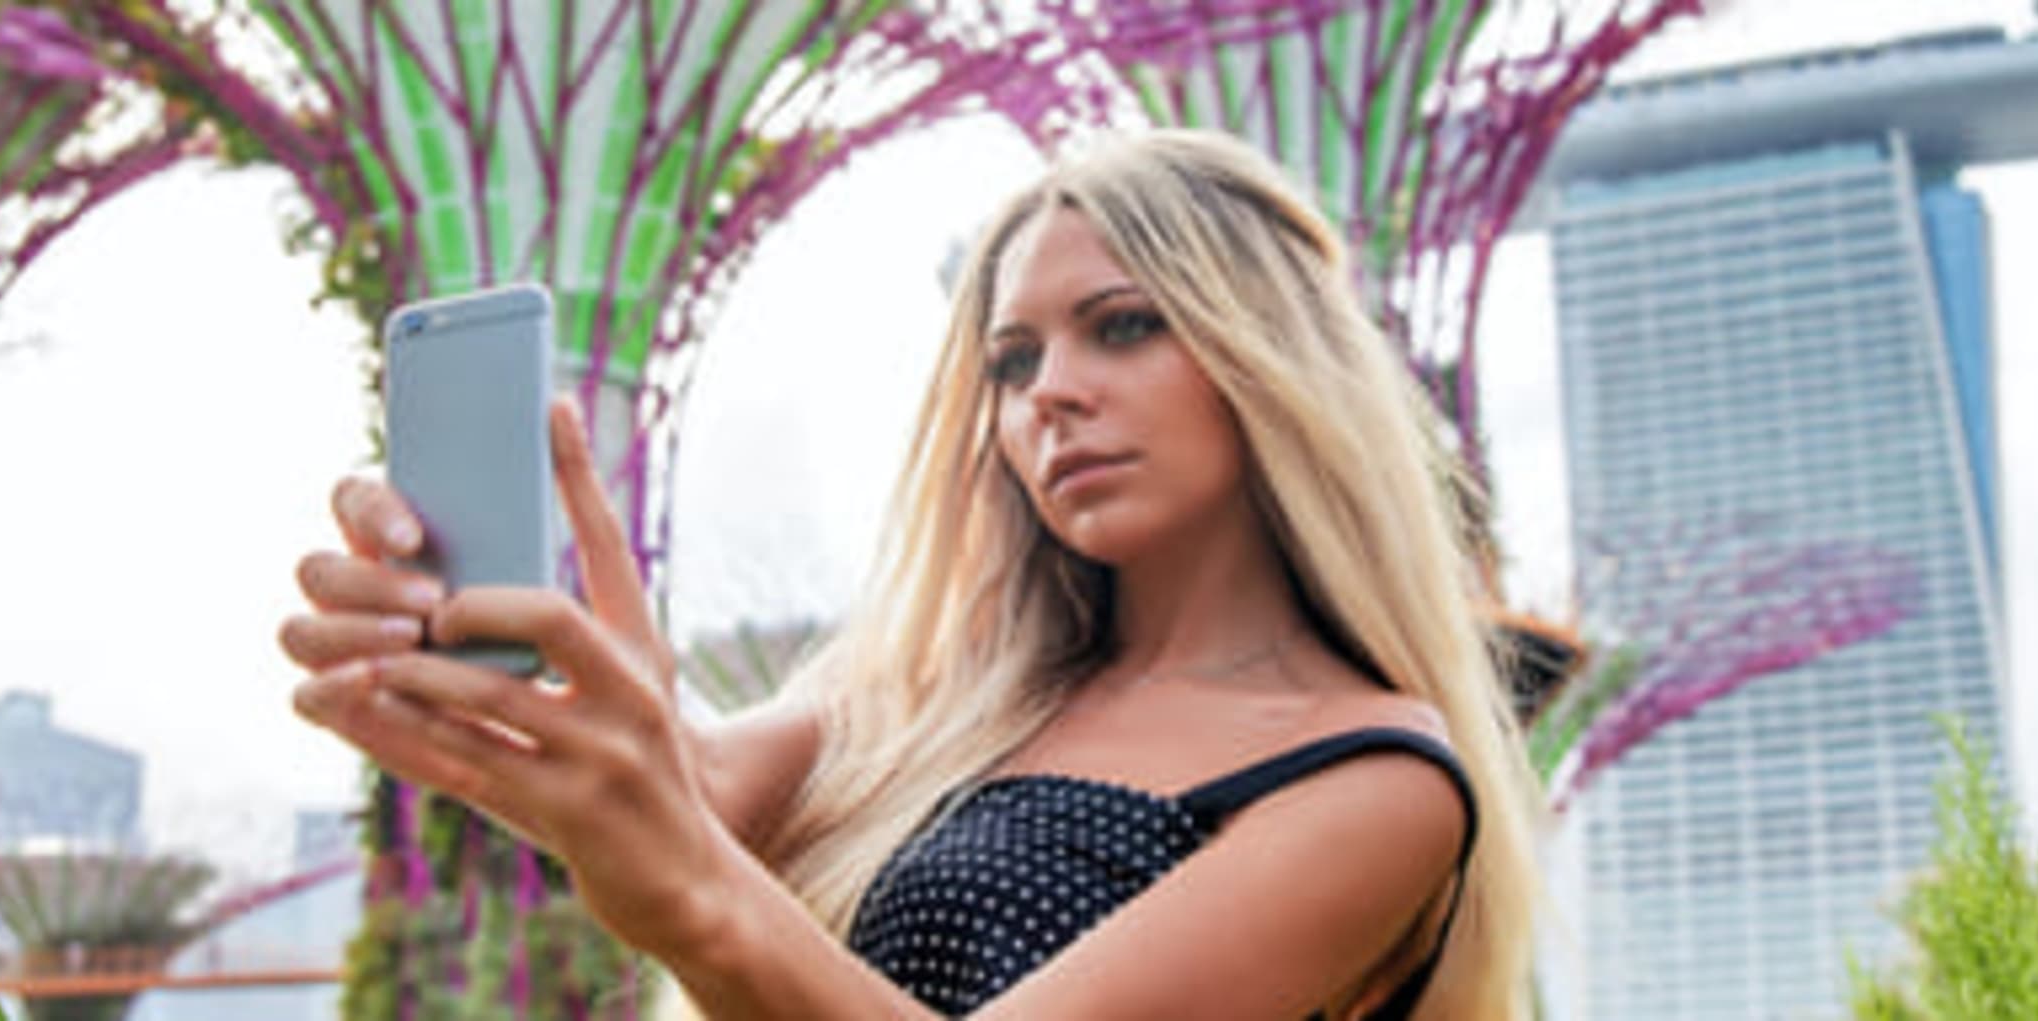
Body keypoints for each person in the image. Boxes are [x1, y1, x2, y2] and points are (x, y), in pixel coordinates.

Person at [276, 130, 1542, 1019]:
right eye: (1011, 360)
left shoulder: (1377, 780)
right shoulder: (938, 696)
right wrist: (517, 659)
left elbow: (683, 854)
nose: (1051, 392)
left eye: (1123, 325)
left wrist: (702, 909)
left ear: (1270, 356)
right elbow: (685, 787)